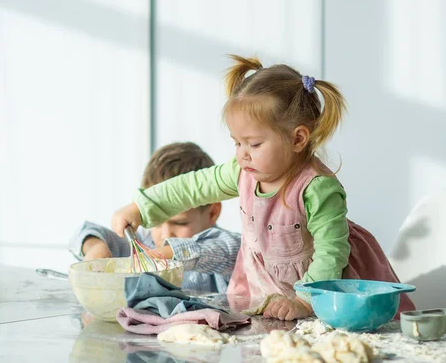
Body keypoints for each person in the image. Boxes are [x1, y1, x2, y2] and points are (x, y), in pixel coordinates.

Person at [110, 55, 416, 321]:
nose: (242, 153)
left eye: (254, 143)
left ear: (298, 139)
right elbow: (192, 187)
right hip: (266, 286)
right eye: (237, 142)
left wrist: (305, 301)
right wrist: (141, 206)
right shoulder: (243, 171)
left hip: (326, 289)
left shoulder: (317, 187)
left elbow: (331, 252)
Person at [74, 142, 241, 293]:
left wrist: (163, 255)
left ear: (212, 212)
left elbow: (229, 249)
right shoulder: (145, 243)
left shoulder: (223, 249)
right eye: (157, 223)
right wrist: (95, 246)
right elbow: (87, 232)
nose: (166, 235)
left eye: (180, 223)